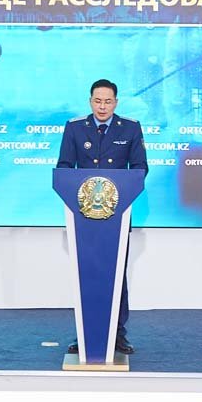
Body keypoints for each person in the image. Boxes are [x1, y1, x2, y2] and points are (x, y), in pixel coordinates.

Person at [56, 79, 148, 355]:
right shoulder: (75, 128)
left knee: (115, 275)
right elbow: (64, 167)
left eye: (108, 101)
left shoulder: (130, 128)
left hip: (116, 218)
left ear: (116, 103)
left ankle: (117, 334)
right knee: (86, 274)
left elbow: (140, 168)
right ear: (90, 101)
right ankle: (86, 335)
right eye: (98, 101)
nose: (103, 106)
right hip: (83, 218)